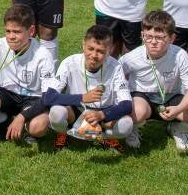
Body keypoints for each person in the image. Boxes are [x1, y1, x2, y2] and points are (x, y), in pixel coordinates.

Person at [120, 10, 188, 153]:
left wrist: (178, 109)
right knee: (137, 111)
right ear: (142, 35)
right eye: (148, 36)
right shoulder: (131, 58)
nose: (153, 42)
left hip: (171, 97)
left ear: (172, 38)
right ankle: (133, 128)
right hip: (143, 97)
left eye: (160, 37)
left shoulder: (180, 55)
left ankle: (177, 129)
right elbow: (114, 78)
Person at [0, 4, 56, 142]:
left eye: (17, 32)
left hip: (33, 98)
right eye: (8, 31)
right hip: (7, 94)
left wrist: (22, 117)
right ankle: (4, 121)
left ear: (31, 31)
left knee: (37, 127)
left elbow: (48, 97)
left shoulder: (43, 55)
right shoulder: (0, 44)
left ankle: (29, 130)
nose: (11, 36)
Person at [41, 24, 133, 152]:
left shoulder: (116, 67)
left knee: (126, 125)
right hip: (78, 110)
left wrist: (101, 115)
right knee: (56, 113)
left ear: (109, 50)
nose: (94, 55)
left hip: (103, 115)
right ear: (83, 44)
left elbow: (127, 105)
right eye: (90, 48)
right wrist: (82, 98)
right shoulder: (69, 62)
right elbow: (48, 97)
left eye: (100, 51)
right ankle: (64, 133)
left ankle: (104, 137)